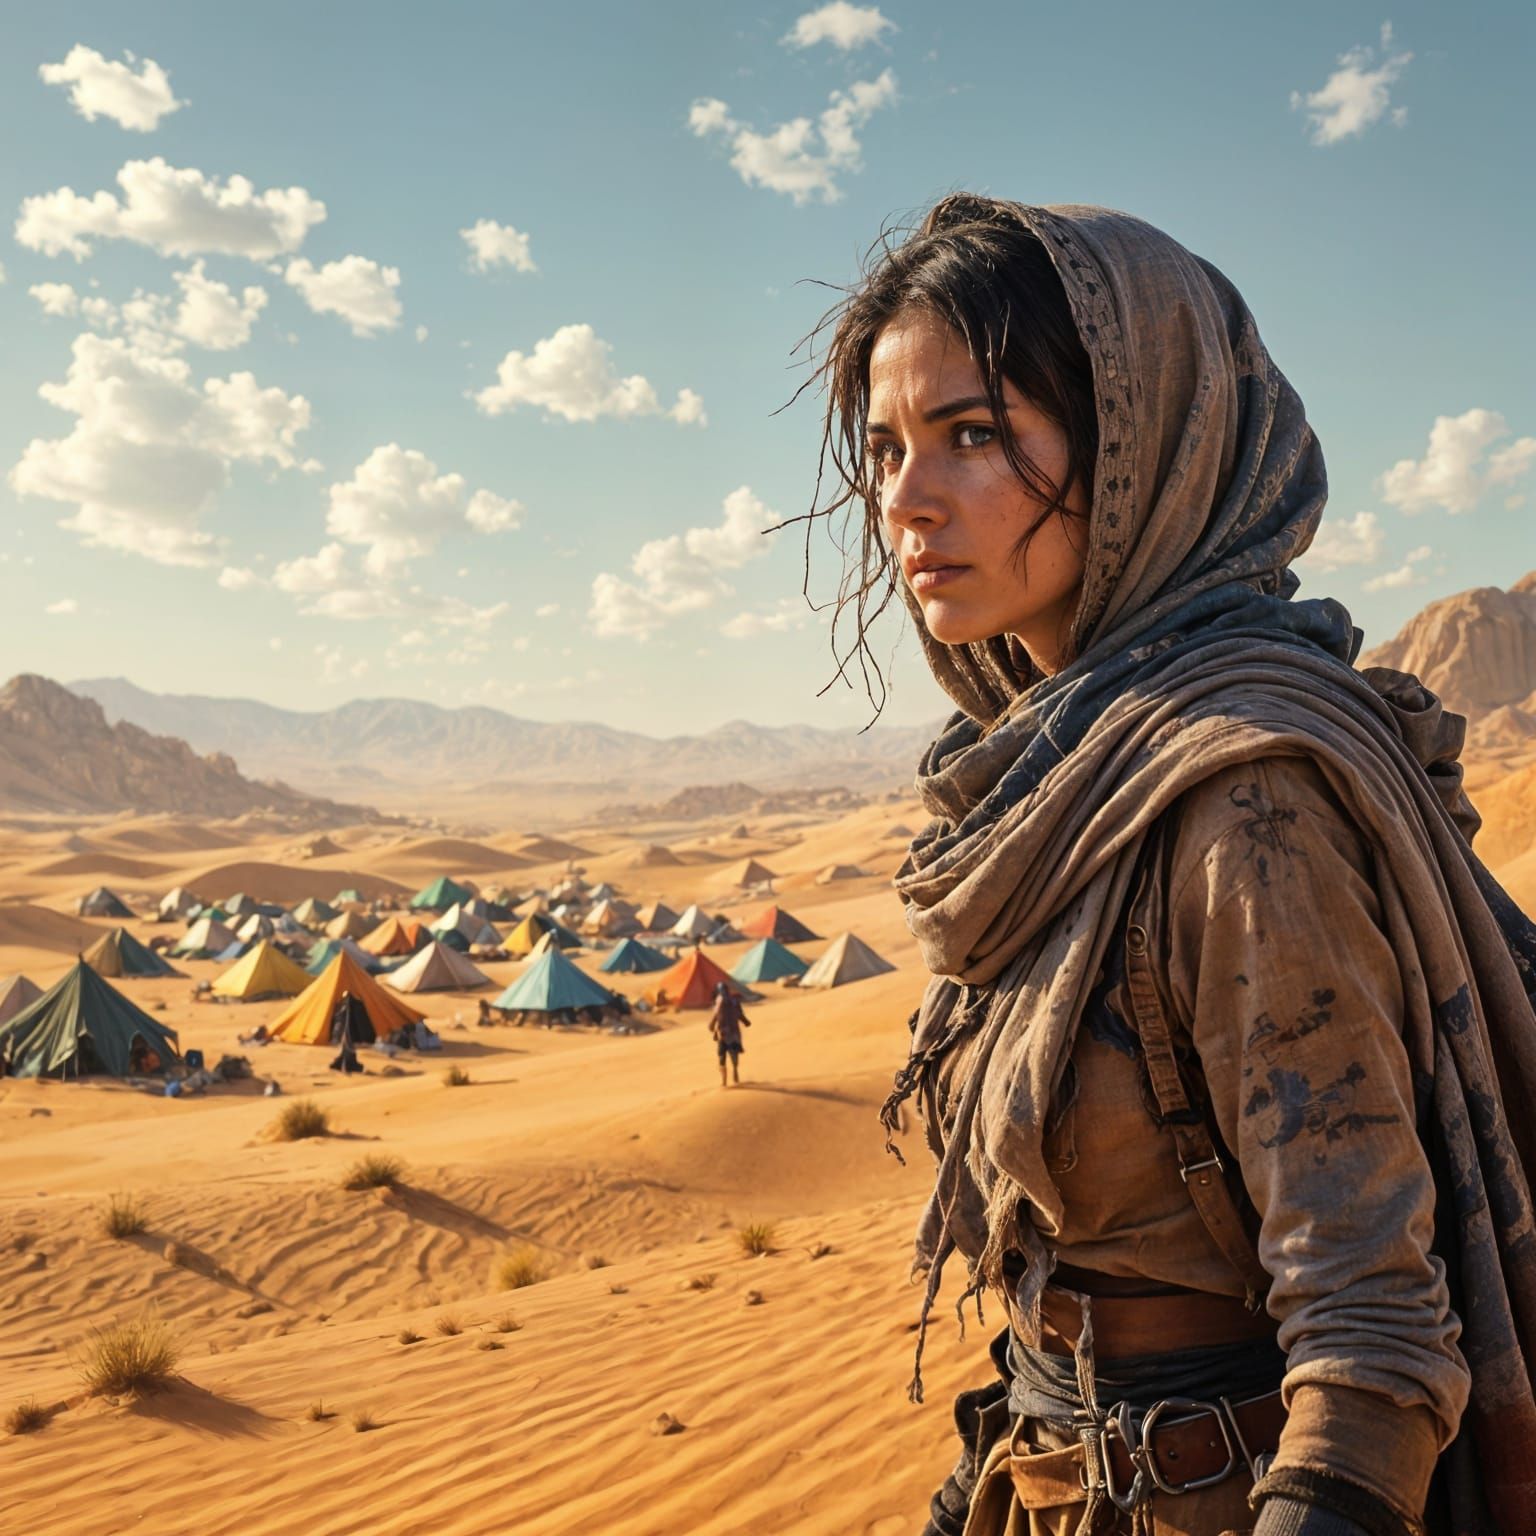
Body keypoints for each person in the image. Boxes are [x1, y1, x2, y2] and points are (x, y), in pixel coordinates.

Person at [801, 195, 1536, 1535]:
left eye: (975, 434)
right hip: (1058, 1471)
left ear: (1141, 442)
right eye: (887, 448)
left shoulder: (1239, 799)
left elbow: (1373, 1333)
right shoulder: (1050, 778)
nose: (905, 500)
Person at [707, 981, 750, 1087]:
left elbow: (716, 1017)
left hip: (727, 1034)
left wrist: (711, 1026)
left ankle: (727, 1079)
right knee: (726, 1056)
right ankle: (727, 1078)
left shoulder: (726, 1002)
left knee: (724, 1057)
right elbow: (739, 1014)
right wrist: (745, 1021)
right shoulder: (731, 1002)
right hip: (727, 1034)